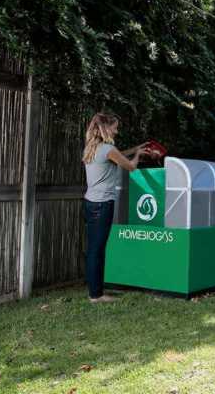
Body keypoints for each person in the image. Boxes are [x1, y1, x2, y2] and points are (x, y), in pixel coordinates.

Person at [82, 112, 149, 303]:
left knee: (95, 249)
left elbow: (115, 155)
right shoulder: (108, 149)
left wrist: (134, 148)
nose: (117, 130)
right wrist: (137, 155)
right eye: (115, 127)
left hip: (90, 203)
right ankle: (95, 295)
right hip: (103, 205)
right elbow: (130, 166)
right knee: (96, 250)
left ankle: (98, 290)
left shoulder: (92, 148)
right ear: (106, 128)